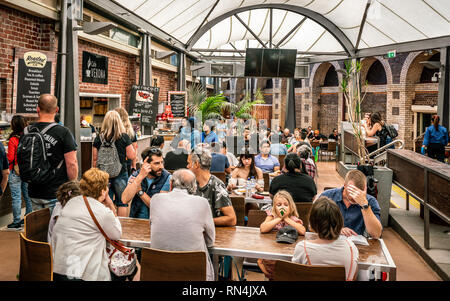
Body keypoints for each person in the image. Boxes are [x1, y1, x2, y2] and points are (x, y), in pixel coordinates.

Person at [52, 168, 121, 281]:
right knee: (127, 269)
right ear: (103, 191)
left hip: (60, 269)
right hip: (85, 274)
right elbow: (116, 234)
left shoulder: (71, 203)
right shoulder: (102, 211)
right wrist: (110, 204)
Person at [150, 169, 215, 281]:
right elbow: (210, 241)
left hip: (159, 272)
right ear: (194, 187)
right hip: (193, 273)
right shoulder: (202, 203)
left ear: (171, 184)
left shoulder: (155, 199)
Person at [27, 94, 78, 212]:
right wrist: (73, 184)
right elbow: (72, 163)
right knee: (56, 229)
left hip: (33, 191)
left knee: (37, 230)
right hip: (56, 192)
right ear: (57, 110)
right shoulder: (63, 132)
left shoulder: (28, 131)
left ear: (37, 109)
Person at [292, 196, 359, 281]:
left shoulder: (303, 248)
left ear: (312, 221)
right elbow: (354, 275)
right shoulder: (351, 248)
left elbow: (294, 275)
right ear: (339, 220)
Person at [93, 110, 136, 217]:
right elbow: (131, 156)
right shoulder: (124, 137)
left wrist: (95, 172)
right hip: (120, 173)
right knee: (122, 201)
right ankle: (122, 226)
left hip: (103, 175)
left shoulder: (99, 138)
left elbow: (94, 159)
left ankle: (107, 224)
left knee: (105, 200)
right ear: (119, 122)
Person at [258, 190, 306, 280]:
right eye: (279, 205)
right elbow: (263, 228)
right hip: (273, 251)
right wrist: (279, 218)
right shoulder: (271, 217)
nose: (282, 207)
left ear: (291, 207)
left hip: (288, 253)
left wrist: (286, 218)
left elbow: (302, 231)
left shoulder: (294, 219)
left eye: (285, 205)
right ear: (274, 207)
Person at [319, 169, 382, 238]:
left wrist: (365, 205)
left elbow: (376, 234)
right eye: (351, 191)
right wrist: (336, 231)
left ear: (365, 188)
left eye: (358, 192)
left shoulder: (370, 201)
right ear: (345, 185)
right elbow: (312, 226)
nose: (355, 197)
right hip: (330, 239)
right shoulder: (327, 196)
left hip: (356, 244)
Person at [187, 146, 236, 226]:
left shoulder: (216, 185)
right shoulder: (190, 183)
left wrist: (203, 222)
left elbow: (231, 219)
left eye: (189, 163)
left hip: (213, 233)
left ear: (196, 164)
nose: (187, 166)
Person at [122, 147, 172, 219]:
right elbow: (124, 200)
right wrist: (139, 178)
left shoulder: (167, 177)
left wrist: (140, 192)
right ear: (146, 164)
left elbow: (158, 207)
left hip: (157, 221)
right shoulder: (136, 176)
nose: (162, 166)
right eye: (157, 163)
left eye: (162, 162)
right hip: (137, 220)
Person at [6, 115, 31, 229]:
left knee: (16, 197)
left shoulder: (13, 139)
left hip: (15, 171)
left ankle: (16, 221)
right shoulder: (28, 137)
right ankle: (28, 218)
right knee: (27, 195)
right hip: (26, 170)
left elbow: (10, 158)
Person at [115, 107, 138, 176]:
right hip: (127, 162)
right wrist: (134, 165)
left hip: (112, 162)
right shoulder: (131, 132)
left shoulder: (112, 132)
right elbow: (135, 149)